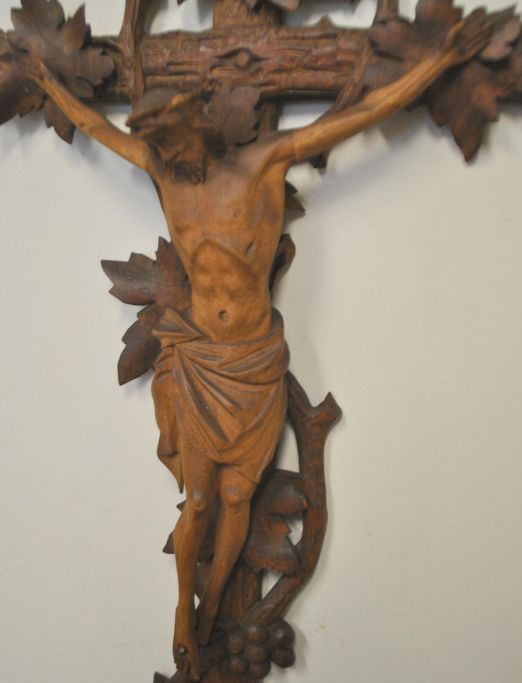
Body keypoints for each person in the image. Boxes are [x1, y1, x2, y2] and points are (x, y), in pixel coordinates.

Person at [24, 14, 490, 679]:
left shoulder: (263, 163)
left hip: (253, 364)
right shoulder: (164, 169)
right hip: (202, 363)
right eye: (156, 144)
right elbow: (98, 128)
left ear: (196, 127)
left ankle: (215, 603)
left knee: (240, 497)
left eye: (170, 139)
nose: (163, 154)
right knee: (200, 502)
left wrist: (437, 63)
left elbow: (361, 116)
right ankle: (183, 613)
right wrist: (48, 82)